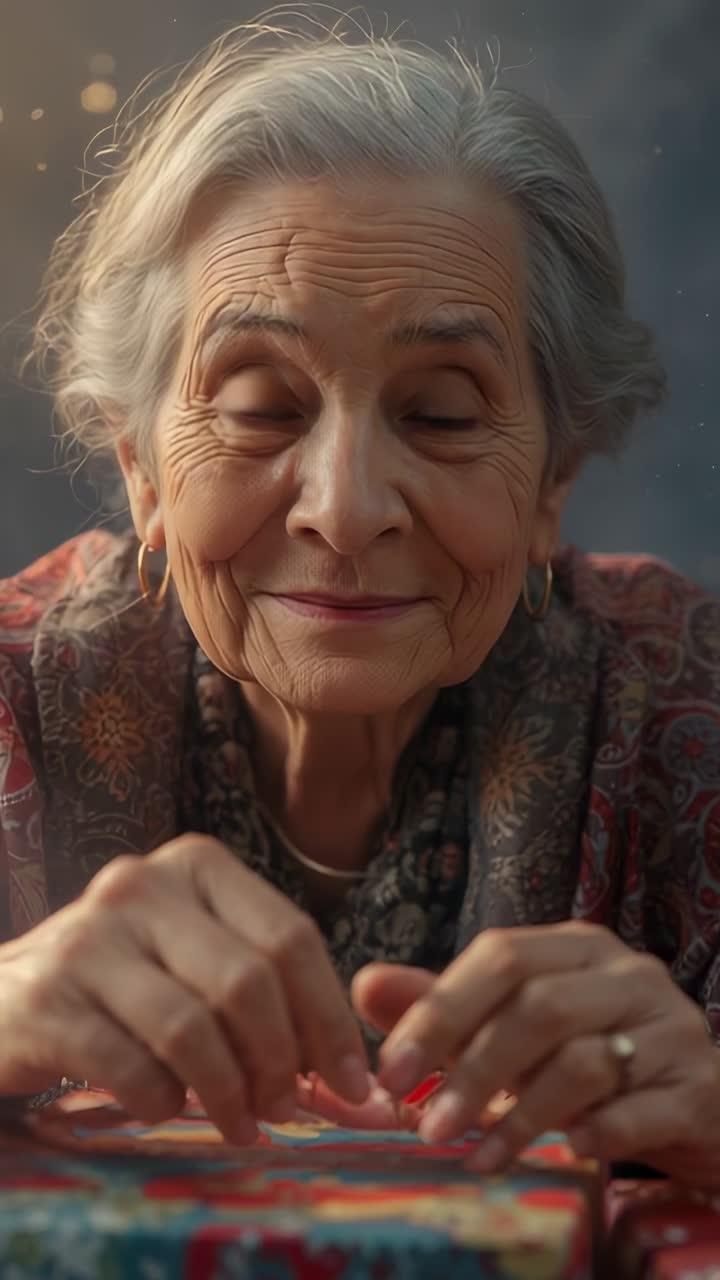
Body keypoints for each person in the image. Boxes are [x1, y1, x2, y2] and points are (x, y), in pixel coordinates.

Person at [1, 14, 719, 1184]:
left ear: (552, 480)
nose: (343, 507)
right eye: (258, 405)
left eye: (439, 413)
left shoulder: (692, 708)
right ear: (140, 467)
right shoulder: (8, 701)